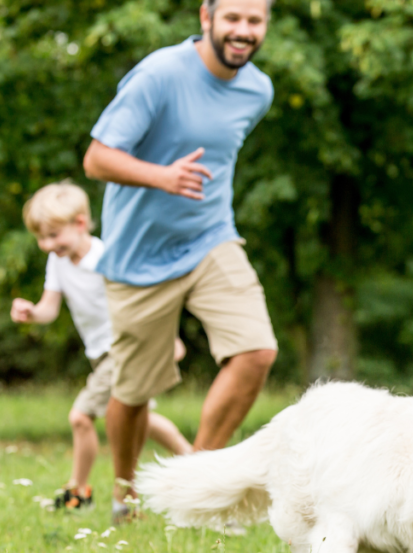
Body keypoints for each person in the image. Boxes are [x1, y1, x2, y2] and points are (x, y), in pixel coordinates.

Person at [82, 0, 277, 523]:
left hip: (211, 237)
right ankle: (126, 496)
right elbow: (96, 157)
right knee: (133, 391)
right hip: (137, 256)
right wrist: (162, 176)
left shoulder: (258, 91)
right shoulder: (160, 75)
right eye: (232, 18)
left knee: (256, 351)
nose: (243, 31)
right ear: (205, 17)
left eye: (254, 20)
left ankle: (193, 481)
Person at [12, 181, 193, 510]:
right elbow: (50, 308)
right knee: (140, 417)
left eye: (53, 235)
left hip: (124, 347)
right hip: (99, 354)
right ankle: (198, 465)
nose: (46, 244)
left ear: (80, 223)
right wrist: (32, 313)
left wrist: (168, 340)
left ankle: (79, 492)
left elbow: (143, 302)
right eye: (40, 237)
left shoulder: (106, 257)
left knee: (81, 417)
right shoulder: (59, 262)